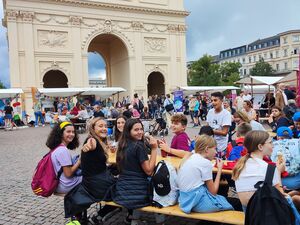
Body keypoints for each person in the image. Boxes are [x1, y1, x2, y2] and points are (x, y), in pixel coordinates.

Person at [64, 118, 119, 222]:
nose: (104, 129)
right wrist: (87, 147)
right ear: (93, 128)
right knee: (125, 192)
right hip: (98, 185)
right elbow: (90, 144)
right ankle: (99, 216)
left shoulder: (100, 140)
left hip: (92, 183)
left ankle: (97, 216)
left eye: (105, 126)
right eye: (100, 126)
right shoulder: (92, 140)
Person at [113, 119, 161, 224]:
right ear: (128, 131)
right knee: (160, 190)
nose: (140, 132)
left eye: (141, 129)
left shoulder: (122, 144)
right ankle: (160, 221)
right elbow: (149, 171)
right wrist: (154, 149)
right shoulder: (138, 146)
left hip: (121, 192)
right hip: (138, 194)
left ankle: (134, 219)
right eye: (136, 130)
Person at [177, 135, 233, 213]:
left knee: (221, 195)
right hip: (196, 203)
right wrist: (219, 170)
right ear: (207, 149)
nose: (216, 152)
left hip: (185, 201)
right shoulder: (205, 163)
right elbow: (213, 192)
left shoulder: (191, 157)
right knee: (234, 203)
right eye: (214, 149)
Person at [232, 131, 282, 211]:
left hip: (249, 215)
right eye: (270, 142)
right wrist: (278, 172)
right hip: (267, 214)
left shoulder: (239, 166)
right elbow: (281, 195)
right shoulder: (270, 168)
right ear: (260, 147)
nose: (273, 145)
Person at [46, 122, 81, 194]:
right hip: (65, 185)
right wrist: (80, 160)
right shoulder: (63, 151)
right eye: (68, 131)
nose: (71, 134)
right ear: (61, 133)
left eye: (73, 132)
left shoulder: (56, 147)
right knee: (93, 177)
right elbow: (68, 174)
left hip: (58, 183)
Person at [206, 92, 232, 158]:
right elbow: (207, 126)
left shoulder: (226, 114)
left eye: (215, 100)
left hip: (221, 146)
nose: (213, 103)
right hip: (210, 145)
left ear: (221, 101)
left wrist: (211, 131)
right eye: (212, 101)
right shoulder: (210, 112)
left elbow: (224, 132)